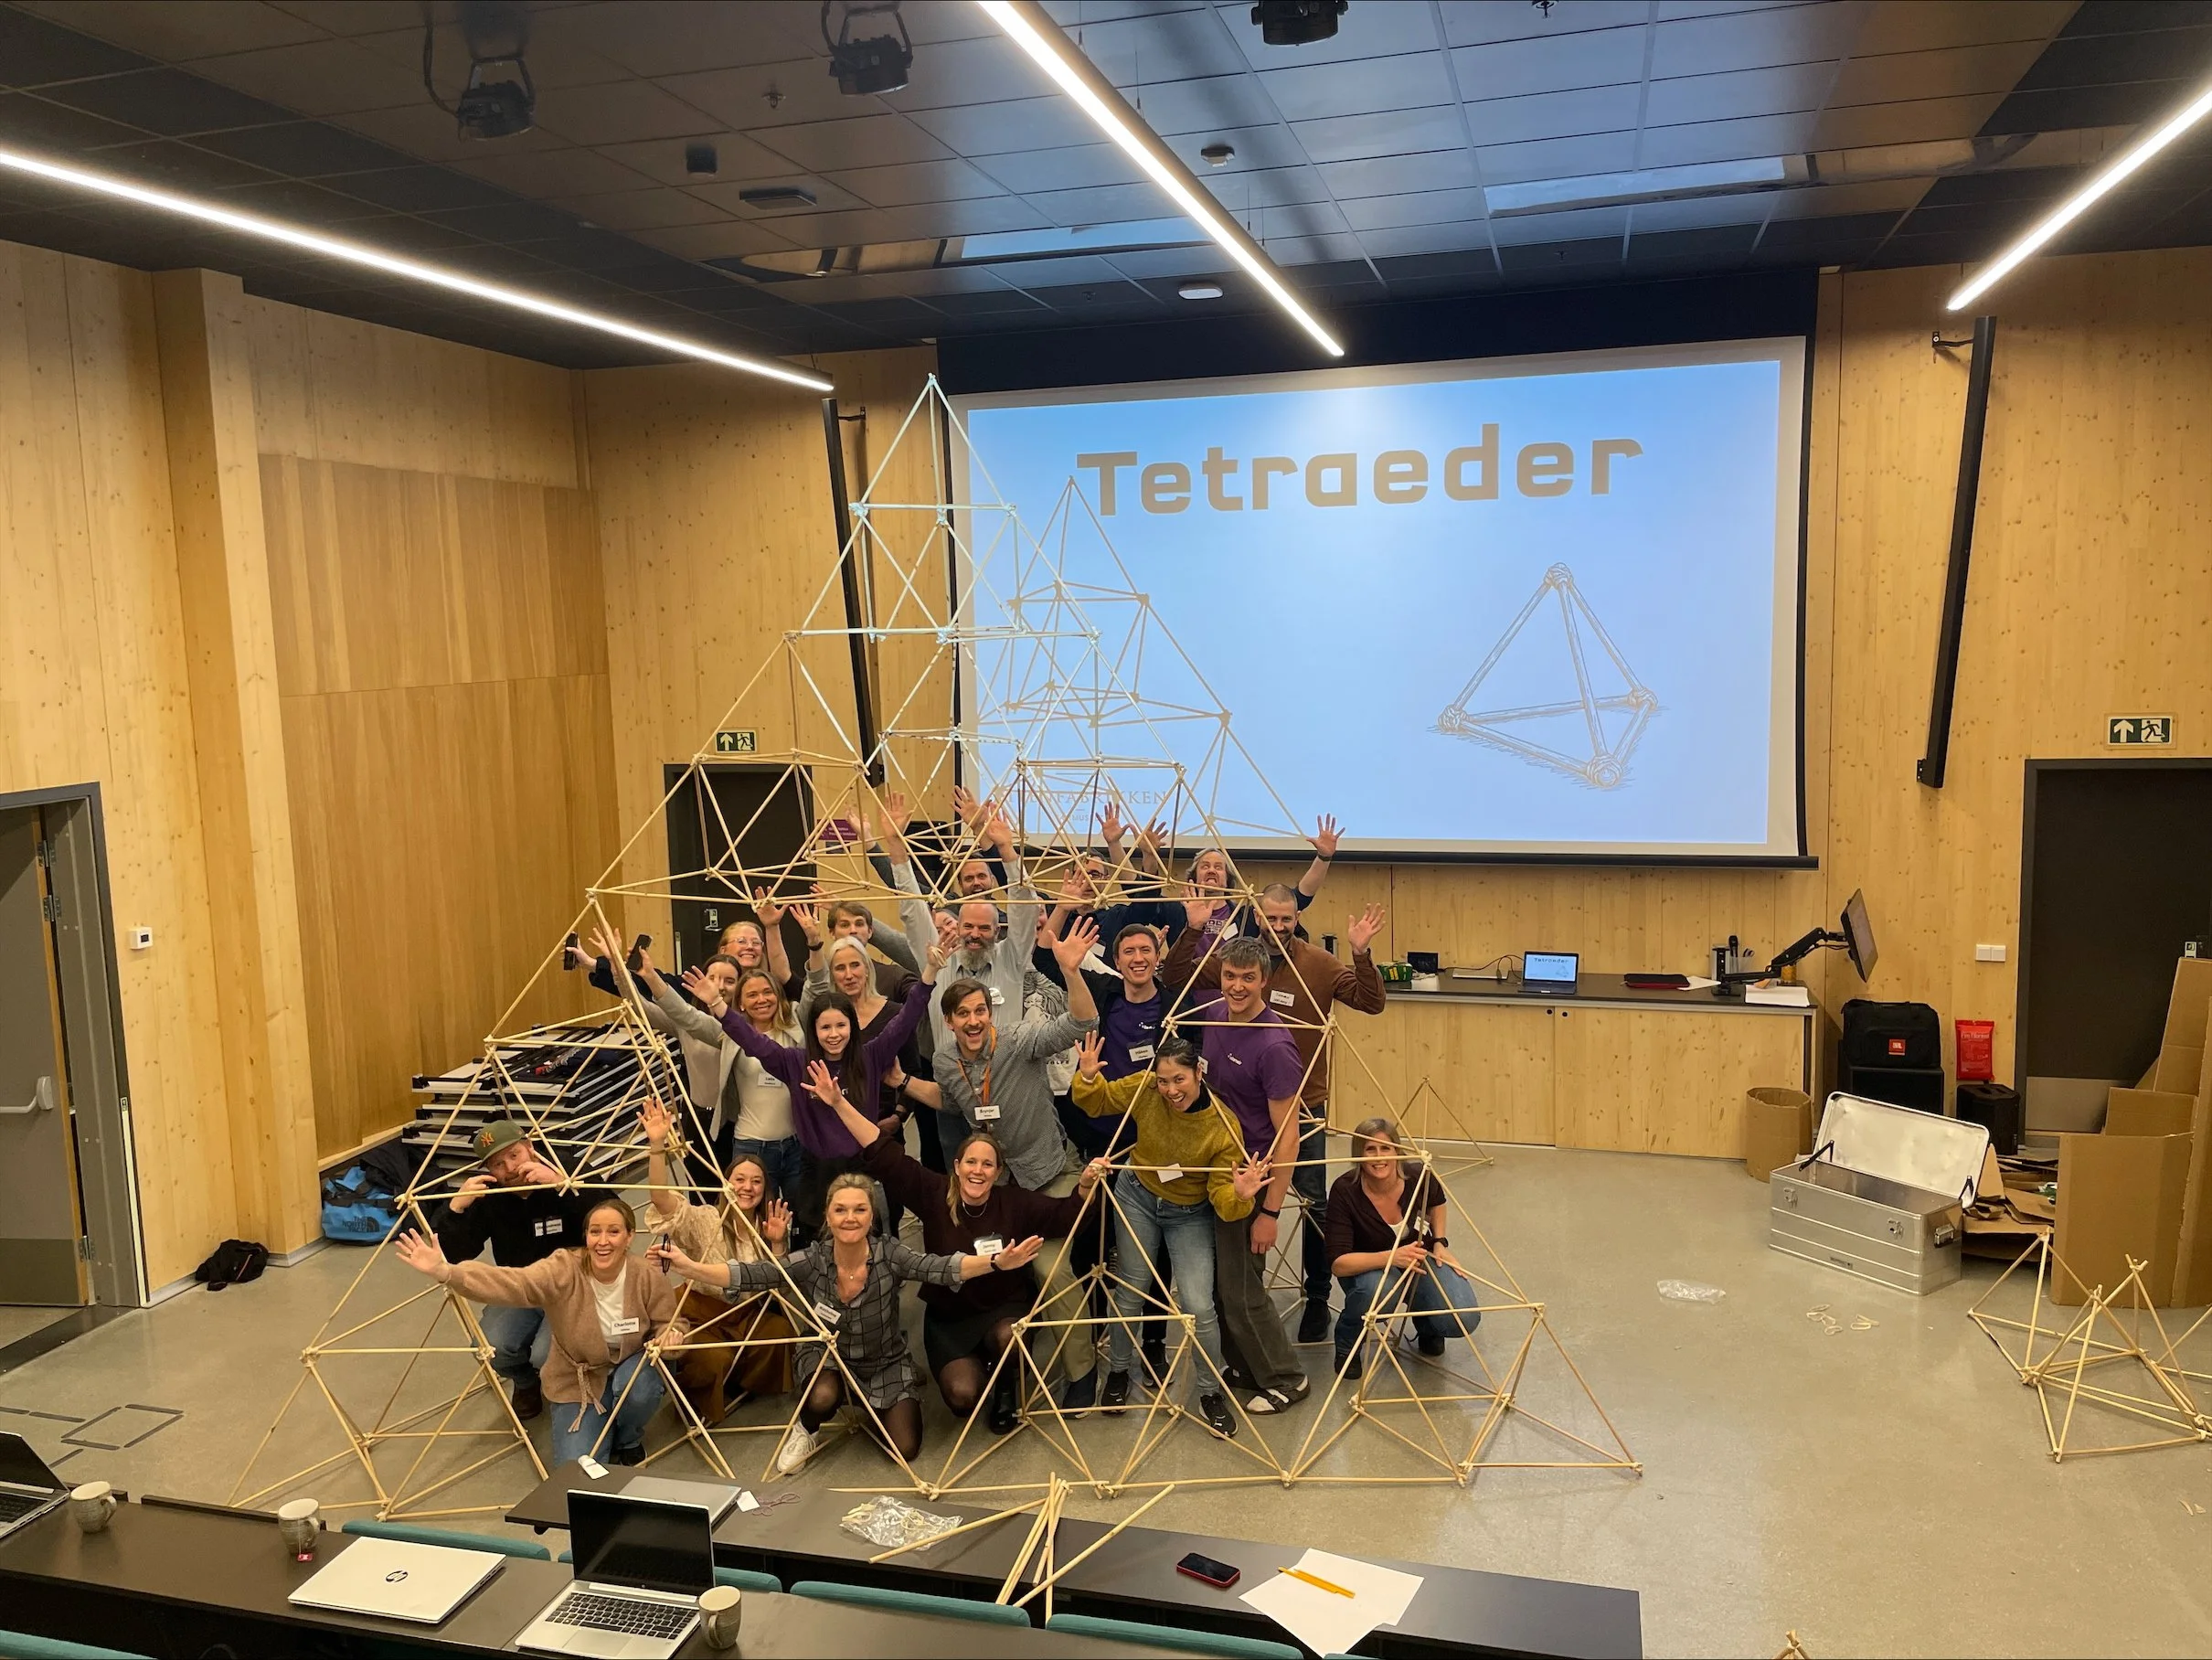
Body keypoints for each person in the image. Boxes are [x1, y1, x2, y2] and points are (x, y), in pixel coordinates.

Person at [654, 1170, 1040, 1474]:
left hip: (883, 1361)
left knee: (905, 1449)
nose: (850, 1218)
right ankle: (807, 1427)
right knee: (822, 1396)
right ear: (828, 1215)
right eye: (841, 1210)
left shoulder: (891, 1255)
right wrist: (690, 1267)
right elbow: (752, 1274)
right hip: (830, 1358)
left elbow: (940, 1268)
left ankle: (868, 1404)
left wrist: (995, 1262)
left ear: (872, 1216)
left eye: (859, 1210)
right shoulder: (813, 1259)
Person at [809, 1061, 1108, 1433]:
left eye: (988, 1164)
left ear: (998, 1172)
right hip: (950, 1318)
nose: (978, 1171)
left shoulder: (1014, 1202)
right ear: (957, 1165)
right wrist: (839, 1103)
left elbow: (1065, 1217)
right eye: (971, 1162)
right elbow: (882, 1152)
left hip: (1003, 1310)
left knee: (1010, 1338)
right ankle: (980, 1370)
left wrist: (1084, 1186)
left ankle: (1006, 1388)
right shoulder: (933, 1193)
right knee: (962, 1397)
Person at [1167, 893, 1388, 1346]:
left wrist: (1361, 953)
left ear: (1297, 917)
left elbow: (1371, 1001)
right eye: (1270, 917)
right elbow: (1175, 979)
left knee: (1312, 1202)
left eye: (1286, 918)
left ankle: (1317, 1297)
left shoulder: (1320, 964)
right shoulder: (1238, 960)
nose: (1278, 925)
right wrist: (1192, 929)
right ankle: (1244, 1298)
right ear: (1257, 916)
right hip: (1241, 1113)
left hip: (1303, 1106)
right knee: (1239, 1201)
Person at [932, 916, 1104, 1405]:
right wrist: (900, 1084)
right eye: (962, 1014)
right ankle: (1004, 1369)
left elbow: (1083, 1023)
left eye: (979, 1011)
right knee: (992, 1269)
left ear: (990, 1013)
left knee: (1050, 1270)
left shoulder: (1020, 1040)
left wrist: (1071, 972)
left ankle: (1082, 1371)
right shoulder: (945, 1061)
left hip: (1051, 1174)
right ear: (949, 1021)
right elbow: (953, 1102)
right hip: (998, 1186)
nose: (972, 1021)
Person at [1071, 1032, 1269, 1437]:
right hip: (1137, 1196)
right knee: (1132, 1288)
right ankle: (1119, 1372)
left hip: (1188, 1213)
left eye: (1179, 1080)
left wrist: (1240, 1195)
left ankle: (1210, 1392)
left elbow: (1222, 1199)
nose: (1170, 1090)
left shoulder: (1222, 1125)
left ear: (1198, 1074)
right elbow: (1098, 1102)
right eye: (1164, 1080)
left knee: (1198, 1305)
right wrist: (1089, 1077)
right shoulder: (1147, 1089)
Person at [398, 1196, 683, 1466]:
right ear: (585, 1236)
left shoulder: (646, 1274)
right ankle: (600, 1424)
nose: (603, 1241)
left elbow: (670, 1322)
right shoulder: (566, 1267)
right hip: (579, 1378)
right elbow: (516, 1282)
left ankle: (628, 1437)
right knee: (574, 1470)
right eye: (595, 1232)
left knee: (639, 1389)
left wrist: (670, 1336)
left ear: (629, 1237)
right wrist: (448, 1273)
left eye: (614, 1232)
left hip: (631, 1365)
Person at [687, 941, 943, 1240]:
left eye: (841, 1026)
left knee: (868, 1242)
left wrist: (930, 971)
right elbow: (753, 1041)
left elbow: (907, 1018)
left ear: (852, 1028)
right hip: (815, 1173)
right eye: (825, 1028)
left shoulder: (871, 1056)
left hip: (864, 1167)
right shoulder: (795, 1062)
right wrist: (718, 1005)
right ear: (814, 1031)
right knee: (813, 1245)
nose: (834, 1035)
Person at [1175, 934, 1311, 1417]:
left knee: (1243, 1290)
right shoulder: (1214, 1013)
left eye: (1247, 978)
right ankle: (1246, 1368)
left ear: (1264, 981)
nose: (1236, 986)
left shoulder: (1274, 1046)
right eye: (1230, 976)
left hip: (1251, 1182)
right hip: (1217, 1170)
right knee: (1220, 1286)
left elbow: (1289, 1138)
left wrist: (1270, 1212)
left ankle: (1286, 1378)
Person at [431, 1120, 611, 1422]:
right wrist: (456, 1209)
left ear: (530, 1148)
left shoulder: (567, 1167)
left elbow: (614, 1217)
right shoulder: (489, 1194)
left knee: (545, 1354)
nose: (510, 1168)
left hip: (574, 1285)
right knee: (491, 1347)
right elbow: (455, 1255)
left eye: (514, 1155)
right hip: (521, 1285)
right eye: (498, 1164)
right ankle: (526, 1382)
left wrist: (561, 1184)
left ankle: (573, 1383)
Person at [640, 1099, 795, 1422]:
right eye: (740, 1179)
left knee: (779, 1333)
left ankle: (739, 1385)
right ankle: (702, 1397)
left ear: (765, 1188)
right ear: (726, 1183)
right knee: (712, 1359)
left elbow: (780, 1288)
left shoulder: (769, 1226)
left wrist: (779, 1244)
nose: (747, 1187)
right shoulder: (706, 1219)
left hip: (745, 1314)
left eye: (756, 1181)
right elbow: (662, 1201)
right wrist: (657, 1146)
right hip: (700, 1312)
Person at [1324, 1119, 1480, 1379]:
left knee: (1462, 1318)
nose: (1379, 1157)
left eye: (1386, 1148)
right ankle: (1349, 1338)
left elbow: (1438, 1201)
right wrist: (1391, 1257)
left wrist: (1439, 1242)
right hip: (1370, 1268)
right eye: (1370, 1149)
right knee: (1378, 1293)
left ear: (1397, 1150)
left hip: (1418, 1260)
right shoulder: (1345, 1190)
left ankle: (1427, 1323)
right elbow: (1339, 1264)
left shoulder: (1419, 1174)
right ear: (1358, 1154)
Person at [1181, 814, 1341, 943]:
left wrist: (1324, 858)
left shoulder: (1246, 917)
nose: (1211, 870)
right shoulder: (1176, 911)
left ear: (1228, 877)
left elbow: (1300, 896)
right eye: (1205, 866)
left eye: (1218, 867)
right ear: (1193, 876)